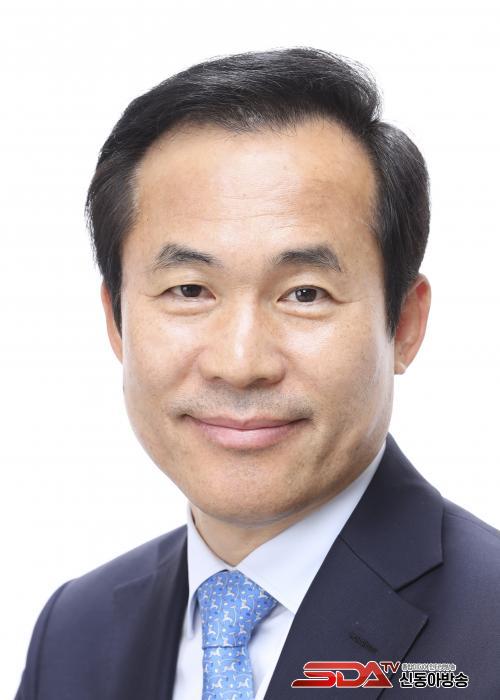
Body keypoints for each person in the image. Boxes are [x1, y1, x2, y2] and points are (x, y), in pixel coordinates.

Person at [15, 47, 500, 699]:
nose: (240, 364)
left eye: (304, 293)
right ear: (116, 321)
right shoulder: (75, 630)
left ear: (405, 325)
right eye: (189, 290)